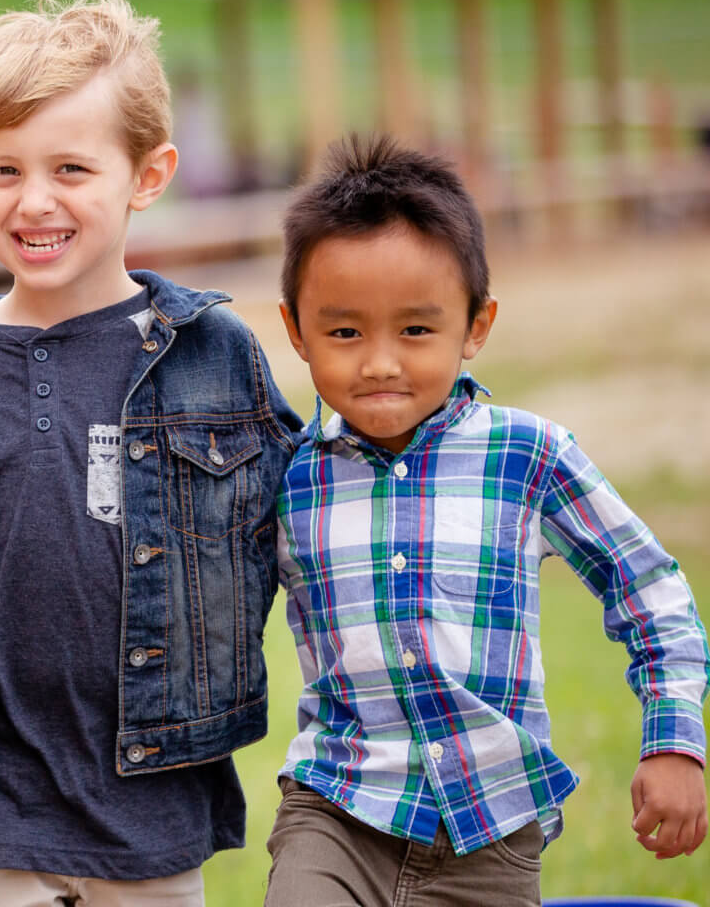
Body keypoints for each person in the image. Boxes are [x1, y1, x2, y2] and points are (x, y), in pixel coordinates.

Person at [0, 0, 303, 907]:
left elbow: (307, 537)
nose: (35, 201)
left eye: (72, 168)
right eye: (3, 171)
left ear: (148, 176)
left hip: (150, 804)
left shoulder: (212, 357)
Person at [263, 136, 708, 905]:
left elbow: (650, 590)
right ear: (296, 330)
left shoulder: (527, 456)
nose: (379, 363)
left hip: (493, 829)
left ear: (475, 325)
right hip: (336, 810)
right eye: (344, 333)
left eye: (415, 330)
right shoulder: (286, 474)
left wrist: (675, 742)